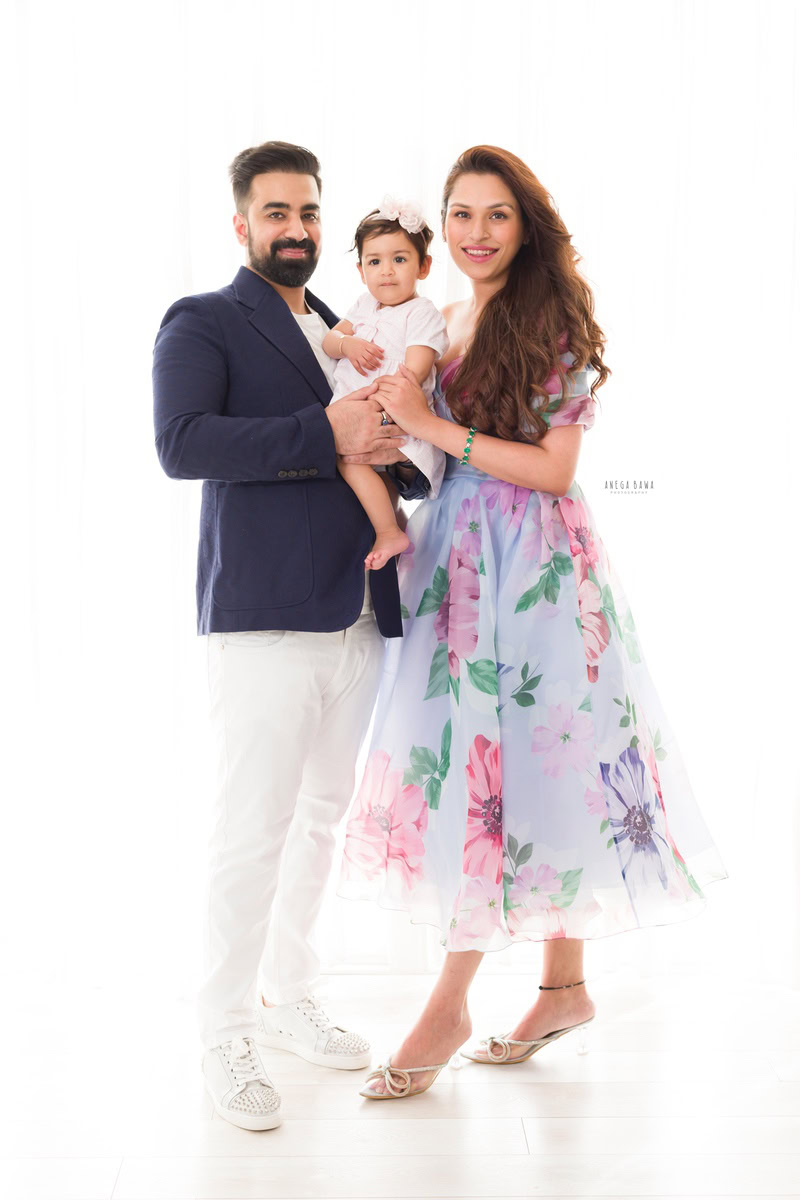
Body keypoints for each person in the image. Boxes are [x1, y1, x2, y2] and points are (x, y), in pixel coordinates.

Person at [336, 144, 729, 1100]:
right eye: (460, 215)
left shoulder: (547, 318)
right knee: (519, 763)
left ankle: (449, 1004)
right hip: (465, 557)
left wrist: (430, 429)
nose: (475, 233)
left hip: (534, 564)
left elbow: (555, 469)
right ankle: (561, 987)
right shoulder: (454, 315)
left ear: (527, 225)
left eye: (495, 216)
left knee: (521, 762)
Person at [152, 140, 429, 1129]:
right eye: (276, 213)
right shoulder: (202, 319)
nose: (297, 229)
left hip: (356, 613)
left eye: (309, 212)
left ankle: (285, 995)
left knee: (318, 821)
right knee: (251, 830)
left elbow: (381, 438)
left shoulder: (345, 323)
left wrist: (397, 453)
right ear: (240, 225)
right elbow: (182, 444)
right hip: (263, 616)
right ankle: (222, 1031)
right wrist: (331, 435)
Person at [321, 198, 449, 568]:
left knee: (352, 462)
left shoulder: (422, 312)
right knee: (353, 465)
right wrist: (348, 344)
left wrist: (376, 406)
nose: (386, 271)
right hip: (357, 411)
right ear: (361, 270)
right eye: (374, 261)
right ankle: (392, 527)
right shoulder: (362, 306)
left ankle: (389, 531)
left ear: (423, 266)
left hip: (393, 414)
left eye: (399, 259)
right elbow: (330, 341)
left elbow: (416, 370)